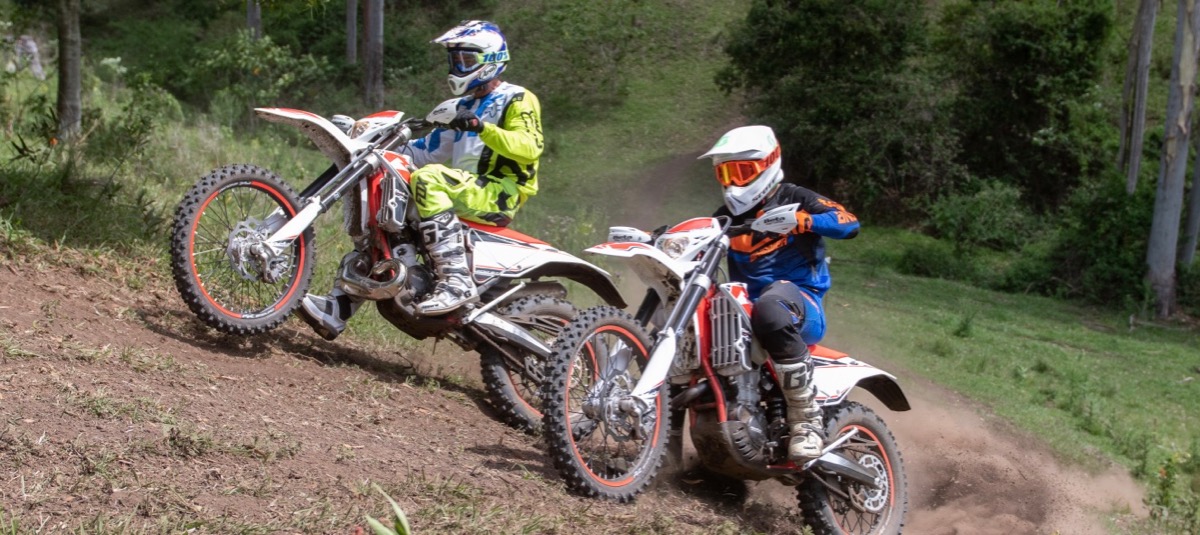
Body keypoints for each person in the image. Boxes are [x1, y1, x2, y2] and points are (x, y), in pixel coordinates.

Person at [298, 20, 544, 340]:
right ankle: (339, 307)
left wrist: (481, 127)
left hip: (500, 191)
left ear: (490, 60)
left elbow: (530, 147)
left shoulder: (518, 98)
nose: (458, 66)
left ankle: (457, 282)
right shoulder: (463, 105)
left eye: (466, 60)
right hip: (465, 188)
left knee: (428, 180)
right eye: (455, 60)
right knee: (389, 189)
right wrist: (370, 143)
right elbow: (425, 151)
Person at [698, 125, 860, 462]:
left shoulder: (795, 197)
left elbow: (848, 222)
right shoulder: (725, 217)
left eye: (742, 171)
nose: (733, 182)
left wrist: (806, 221)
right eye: (725, 173)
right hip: (743, 312)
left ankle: (807, 420)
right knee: (698, 323)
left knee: (770, 306)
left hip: (800, 304)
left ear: (768, 164)